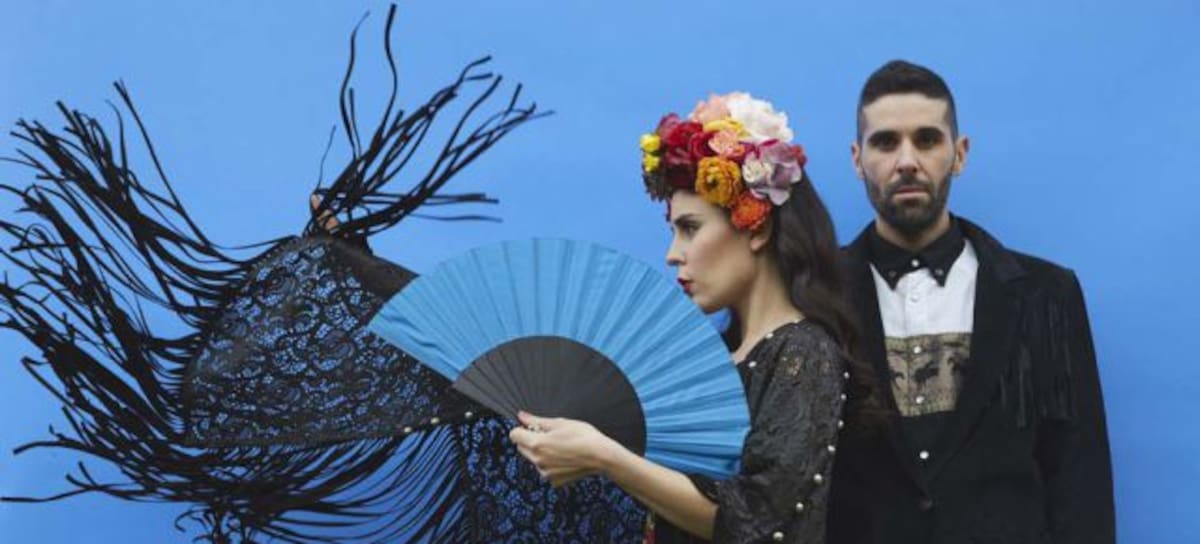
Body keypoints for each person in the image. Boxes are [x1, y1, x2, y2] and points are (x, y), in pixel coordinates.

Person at [509, 92, 879, 543]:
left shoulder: (805, 352)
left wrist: (607, 457)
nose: (672, 254)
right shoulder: (715, 360)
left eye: (689, 228)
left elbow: (762, 522)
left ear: (757, 226)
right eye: (673, 232)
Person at [827, 60, 1115, 543]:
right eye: (886, 142)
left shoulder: (1045, 294)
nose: (906, 161)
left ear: (959, 154)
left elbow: (1079, 480)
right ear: (857, 159)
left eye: (927, 140)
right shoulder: (817, 295)